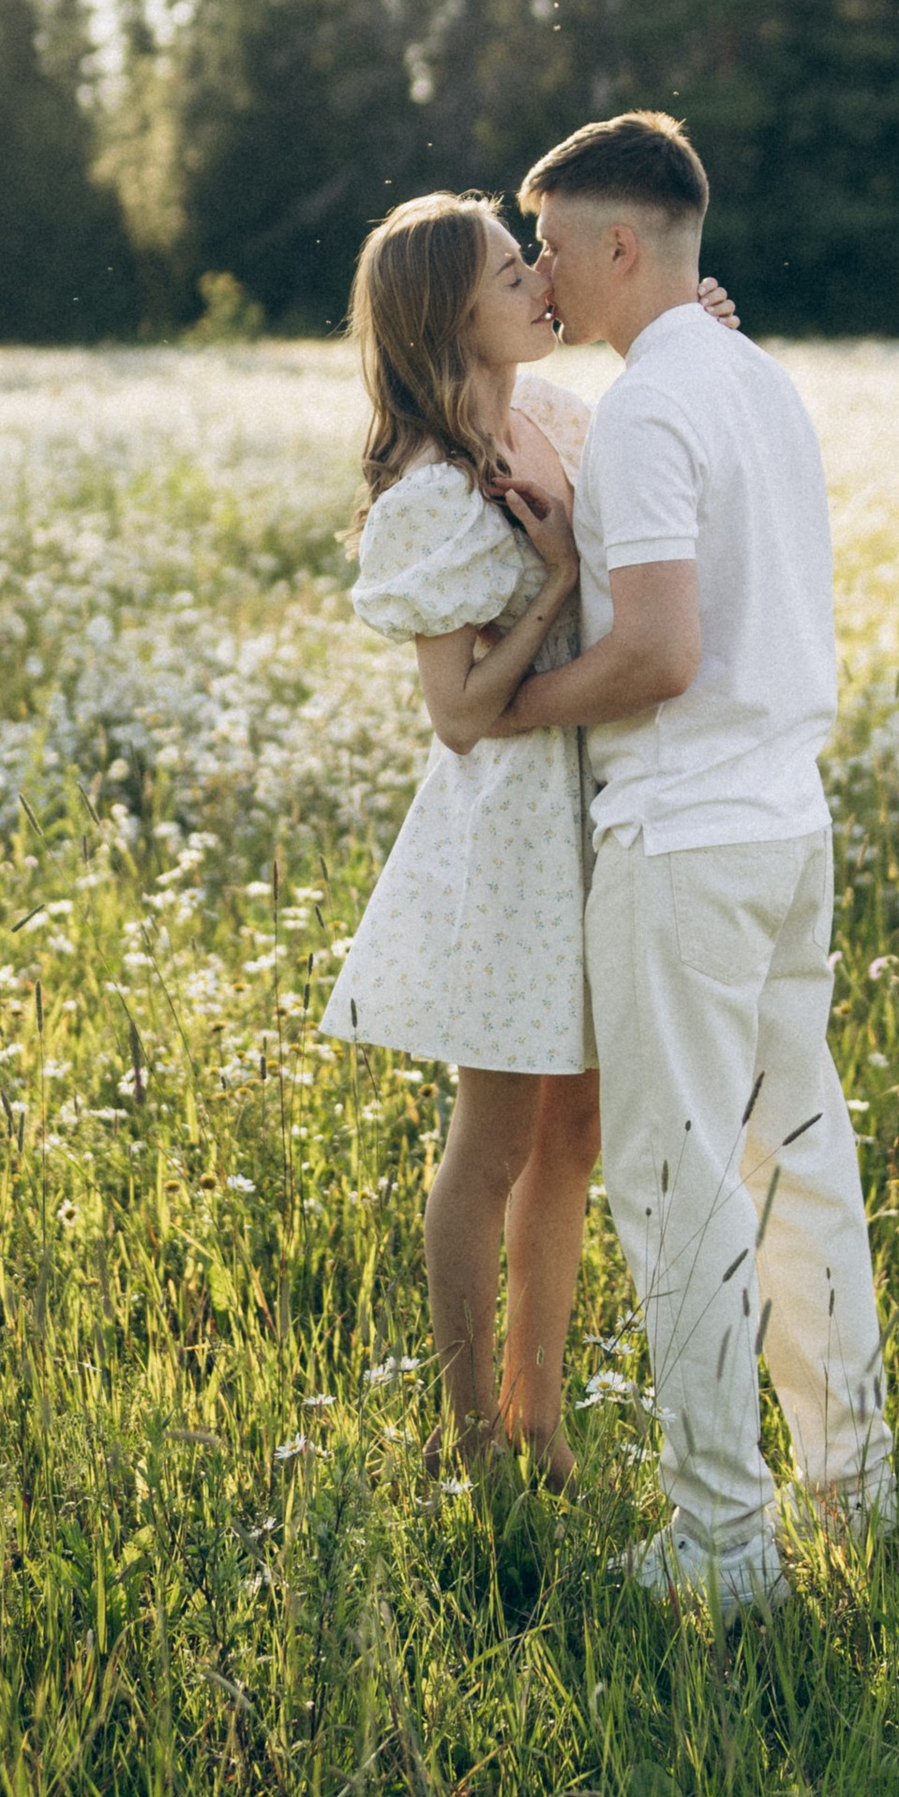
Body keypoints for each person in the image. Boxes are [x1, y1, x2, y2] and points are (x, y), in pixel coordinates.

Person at [492, 110, 895, 1614]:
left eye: (551, 246)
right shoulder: (753, 377)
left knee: (676, 1188)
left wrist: (517, 704)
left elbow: (661, 652)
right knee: (801, 1167)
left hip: (682, 840)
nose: (539, 273)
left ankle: (723, 1545)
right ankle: (856, 1494)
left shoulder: (656, 406)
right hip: (785, 824)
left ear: (619, 244)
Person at [318, 189, 737, 1485]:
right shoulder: (431, 491)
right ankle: (472, 1442)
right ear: (452, 317)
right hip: (510, 843)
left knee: (576, 1136)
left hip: (605, 802)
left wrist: (697, 336)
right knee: (492, 1145)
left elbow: (651, 502)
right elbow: (456, 717)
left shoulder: (552, 413)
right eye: (513, 274)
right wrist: (553, 584)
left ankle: (538, 1418)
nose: (540, 284)